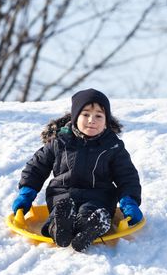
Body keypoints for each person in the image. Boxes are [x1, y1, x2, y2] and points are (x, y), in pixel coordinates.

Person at [12, 88, 143, 252]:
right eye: (86, 114)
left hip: (99, 195)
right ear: (75, 117)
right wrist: (27, 192)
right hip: (62, 193)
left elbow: (127, 176)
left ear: (106, 121)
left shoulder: (112, 146)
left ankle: (91, 225)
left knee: (91, 211)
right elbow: (37, 167)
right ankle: (60, 227)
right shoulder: (60, 141)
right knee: (60, 211)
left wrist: (129, 201)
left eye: (99, 116)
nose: (92, 120)